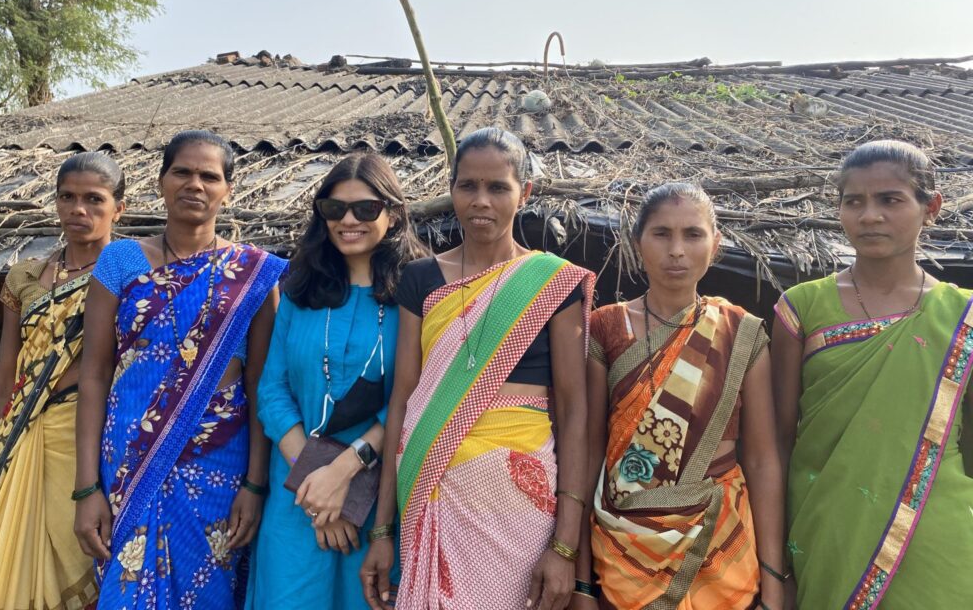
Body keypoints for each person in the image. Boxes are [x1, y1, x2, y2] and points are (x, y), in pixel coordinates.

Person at [361, 128, 596, 610]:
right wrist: (382, 530)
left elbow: (575, 412)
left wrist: (565, 545)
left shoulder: (552, 282)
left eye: (498, 187)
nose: (481, 201)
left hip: (518, 502)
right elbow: (404, 400)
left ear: (524, 193)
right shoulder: (422, 278)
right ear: (451, 190)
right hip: (431, 484)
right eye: (467, 186)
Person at [75, 130, 287, 609]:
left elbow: (260, 382)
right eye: (182, 172)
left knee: (210, 587)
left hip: (220, 458)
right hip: (130, 454)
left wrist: (256, 483)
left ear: (228, 190)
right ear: (161, 180)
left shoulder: (252, 272)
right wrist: (86, 488)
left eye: (209, 176)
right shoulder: (120, 259)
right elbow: (94, 373)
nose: (195, 184)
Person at [772, 140, 973, 609]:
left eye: (890, 200)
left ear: (932, 207)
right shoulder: (800, 308)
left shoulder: (962, 315)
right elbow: (780, 441)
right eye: (853, 201)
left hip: (938, 533)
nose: (869, 216)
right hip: (825, 531)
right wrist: (775, 558)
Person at [585, 183, 785, 610]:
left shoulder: (740, 331)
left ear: (715, 245)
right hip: (623, 548)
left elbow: (763, 459)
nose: (677, 249)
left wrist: (773, 574)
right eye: (661, 234)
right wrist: (581, 576)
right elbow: (587, 449)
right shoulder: (604, 328)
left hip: (721, 540)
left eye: (693, 234)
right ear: (637, 243)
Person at [246, 153, 427, 609]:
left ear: (394, 213)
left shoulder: (421, 296)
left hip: (380, 505)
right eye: (334, 209)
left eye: (365, 209)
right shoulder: (299, 291)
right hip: (297, 502)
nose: (348, 220)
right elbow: (271, 392)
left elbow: (416, 397)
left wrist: (342, 477)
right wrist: (316, 487)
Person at [0, 151, 126, 610]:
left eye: (93, 199)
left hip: (89, 448)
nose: (78, 210)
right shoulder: (26, 275)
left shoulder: (134, 275)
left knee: (84, 571)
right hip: (17, 443)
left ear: (118, 208)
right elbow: (2, 385)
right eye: (67, 197)